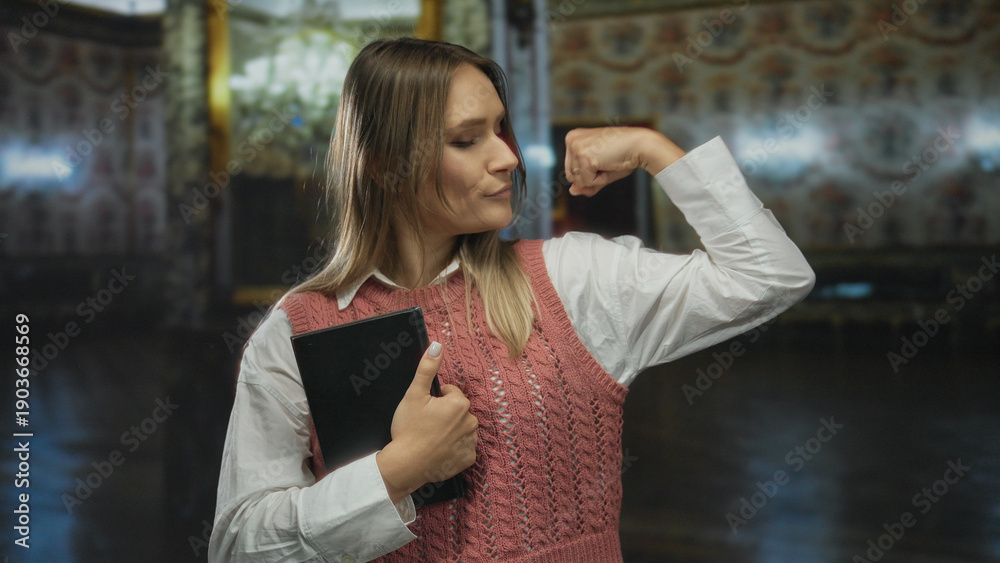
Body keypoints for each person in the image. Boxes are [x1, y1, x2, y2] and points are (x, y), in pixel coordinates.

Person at [208, 37, 815, 562]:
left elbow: (770, 277)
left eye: (500, 129)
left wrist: (656, 151)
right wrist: (398, 470)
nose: (508, 157)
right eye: (467, 139)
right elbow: (240, 545)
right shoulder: (299, 329)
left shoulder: (570, 278)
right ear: (382, 163)